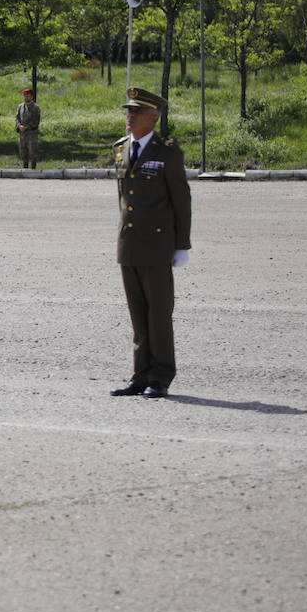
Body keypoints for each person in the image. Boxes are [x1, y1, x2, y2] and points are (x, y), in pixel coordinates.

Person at [109, 87, 192, 399]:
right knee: (138, 316)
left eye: (136, 112)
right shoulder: (121, 148)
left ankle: (160, 376)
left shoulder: (167, 151)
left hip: (157, 246)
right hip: (129, 244)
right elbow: (124, 200)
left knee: (158, 315)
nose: (129, 117)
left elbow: (181, 201)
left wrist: (182, 244)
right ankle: (140, 375)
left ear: (153, 117)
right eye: (128, 111)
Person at [16, 87, 40, 169]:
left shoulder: (36, 107)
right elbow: (17, 118)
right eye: (25, 96)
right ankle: (24, 169)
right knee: (23, 152)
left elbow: (36, 120)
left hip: (31, 134)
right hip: (22, 134)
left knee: (32, 152)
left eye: (28, 96)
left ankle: (33, 169)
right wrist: (19, 126)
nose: (27, 98)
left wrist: (27, 127)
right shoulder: (20, 106)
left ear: (32, 97)